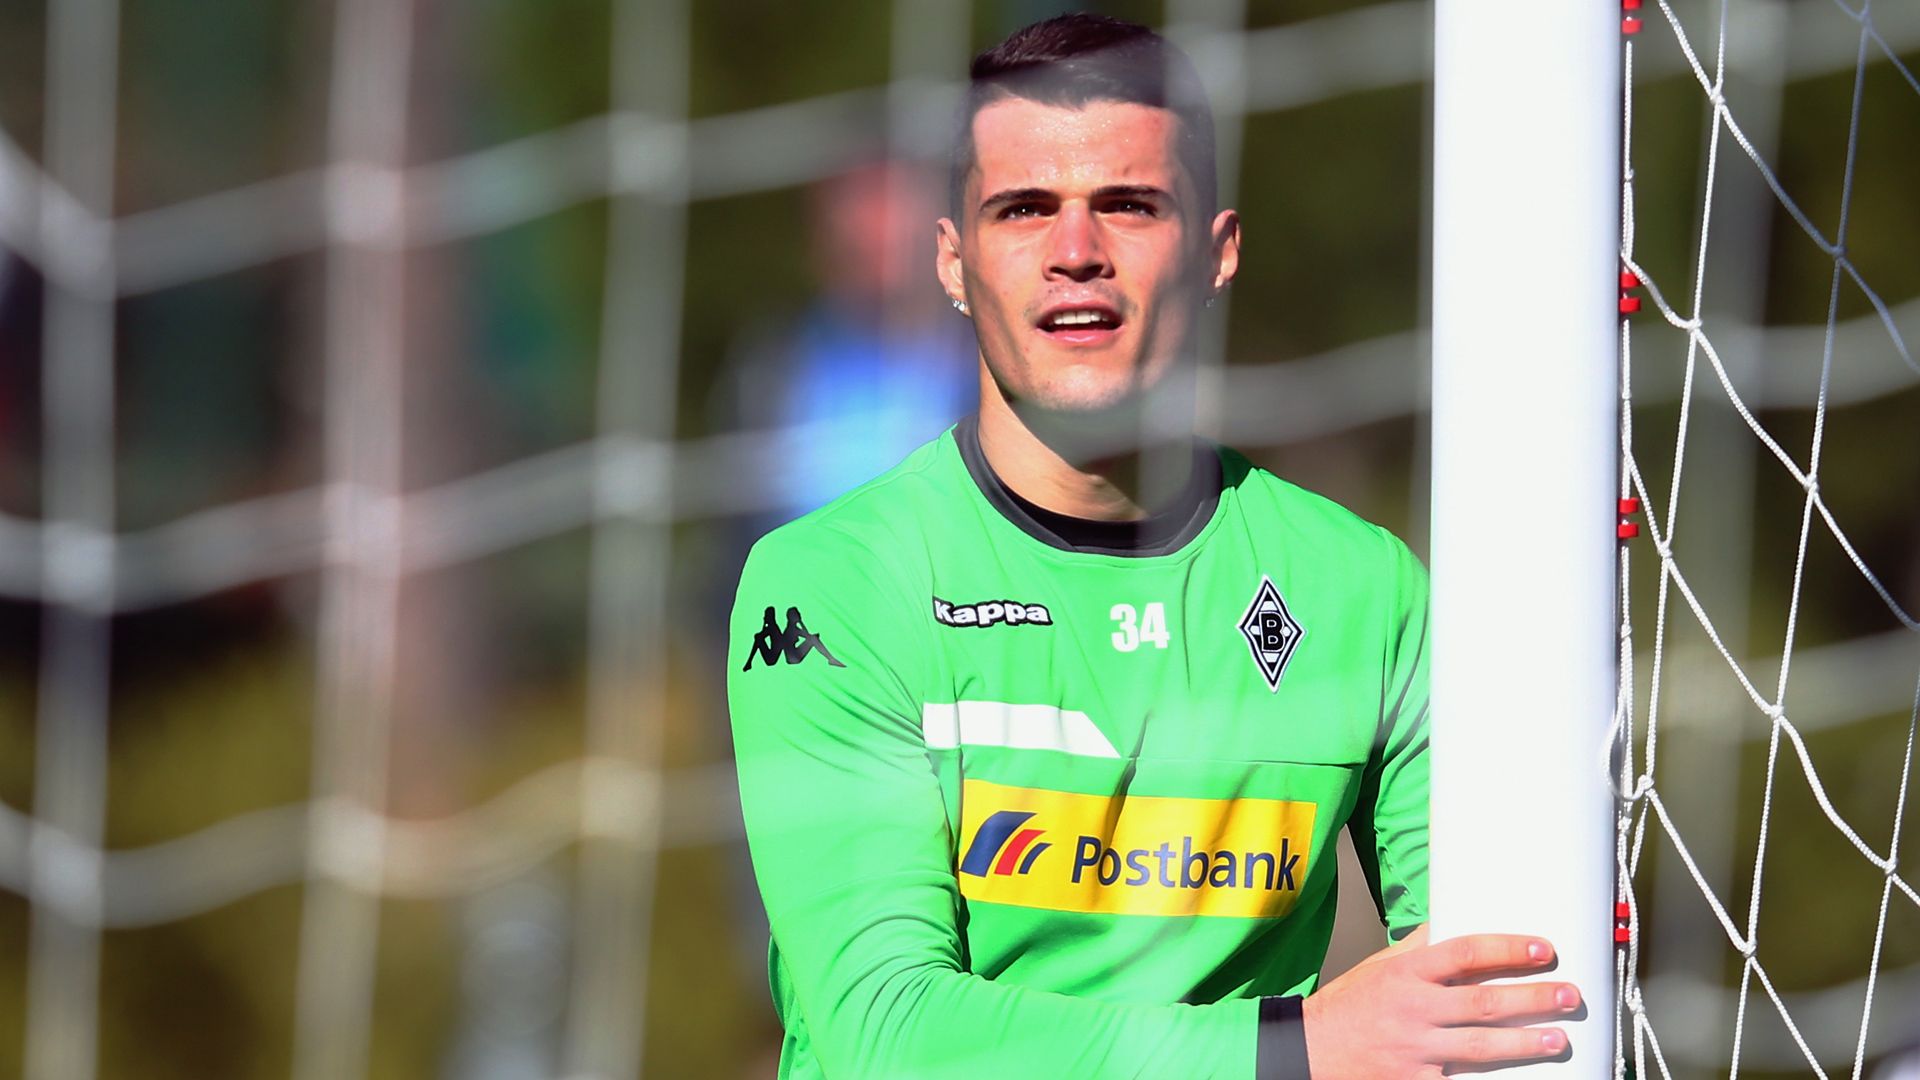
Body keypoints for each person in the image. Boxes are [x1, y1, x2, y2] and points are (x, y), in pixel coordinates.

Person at [727, 14, 1582, 1078]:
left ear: (1219, 252)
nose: (1075, 252)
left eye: (1128, 206)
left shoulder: (1361, 588)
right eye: (1023, 208)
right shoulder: (831, 587)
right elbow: (891, 1035)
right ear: (954, 260)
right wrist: (1299, 1051)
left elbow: (1495, 989)